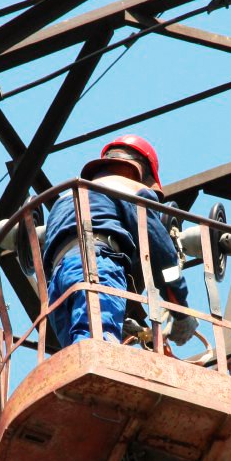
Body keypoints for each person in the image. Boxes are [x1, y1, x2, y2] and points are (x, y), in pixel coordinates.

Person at [41, 134, 197, 349]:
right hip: (97, 265)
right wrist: (180, 309)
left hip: (57, 282)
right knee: (97, 347)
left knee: (77, 351)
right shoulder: (131, 188)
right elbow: (164, 255)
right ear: (142, 171)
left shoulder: (66, 197)